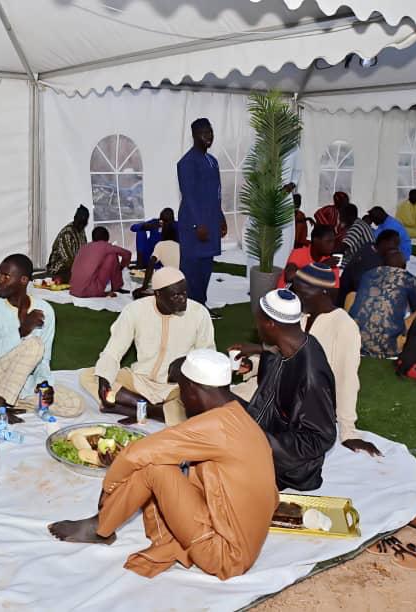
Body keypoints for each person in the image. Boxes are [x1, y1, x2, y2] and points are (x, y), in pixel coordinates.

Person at [49, 349, 278, 581]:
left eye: (182, 391)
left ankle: (101, 527)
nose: (182, 400)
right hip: (235, 540)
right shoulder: (239, 417)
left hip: (224, 555)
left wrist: (109, 489)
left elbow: (136, 454)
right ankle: (109, 521)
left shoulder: (216, 426)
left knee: (151, 466)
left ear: (193, 389)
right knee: (159, 459)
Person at [241, 264, 380, 456]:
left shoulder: (344, 326)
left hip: (305, 406)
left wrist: (348, 431)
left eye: (301, 292)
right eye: (295, 290)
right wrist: (252, 365)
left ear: (324, 293)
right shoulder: (299, 316)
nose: (295, 297)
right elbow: (277, 356)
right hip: (274, 391)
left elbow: (346, 381)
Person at [80, 267, 214, 425]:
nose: (183, 299)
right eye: (175, 295)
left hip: (175, 388)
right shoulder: (135, 310)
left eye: (184, 293)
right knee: (90, 376)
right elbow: (113, 351)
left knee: (201, 408)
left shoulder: (199, 313)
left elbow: (207, 357)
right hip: (139, 381)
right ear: (158, 294)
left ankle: (138, 409)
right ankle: (156, 410)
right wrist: (104, 379)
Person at [232, 289, 336, 490]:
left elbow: (320, 437)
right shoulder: (288, 345)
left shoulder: (311, 376)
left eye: (259, 320)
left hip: (288, 472)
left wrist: (260, 443)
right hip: (262, 434)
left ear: (271, 324)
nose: (256, 325)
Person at [0, 254, 83, 422]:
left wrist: (44, 384)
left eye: (6, 276)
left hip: (19, 380)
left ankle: (8, 402)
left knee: (74, 404)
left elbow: (44, 360)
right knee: (34, 345)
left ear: (23, 280)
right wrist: (20, 332)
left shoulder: (45, 310)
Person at [177, 118, 226, 309]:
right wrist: (198, 224)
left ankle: (201, 306)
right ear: (194, 135)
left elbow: (216, 193)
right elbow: (188, 195)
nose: (209, 136)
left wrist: (221, 217)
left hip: (211, 221)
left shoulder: (212, 161)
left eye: (210, 132)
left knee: (206, 266)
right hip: (193, 224)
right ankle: (188, 308)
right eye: (204, 133)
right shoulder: (187, 162)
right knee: (191, 268)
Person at [349, 249, 416, 359]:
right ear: (404, 266)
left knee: (352, 295)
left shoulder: (368, 274)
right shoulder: (407, 278)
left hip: (355, 342)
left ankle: (350, 335)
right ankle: (411, 347)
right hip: (388, 346)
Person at [338, 229, 400, 307]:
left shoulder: (369, 247)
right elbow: (360, 287)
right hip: (349, 302)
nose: (397, 248)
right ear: (384, 242)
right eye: (395, 244)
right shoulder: (372, 261)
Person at [69, 227, 131, 298]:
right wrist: (121, 266)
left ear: (93, 238)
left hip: (73, 289)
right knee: (112, 255)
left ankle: (110, 288)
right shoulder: (106, 246)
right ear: (107, 237)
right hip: (90, 291)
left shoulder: (84, 247)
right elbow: (127, 254)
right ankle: (117, 287)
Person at [278, 224, 339, 288]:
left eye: (333, 241)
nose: (332, 245)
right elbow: (290, 277)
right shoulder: (299, 253)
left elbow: (334, 290)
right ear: (315, 240)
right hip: (286, 293)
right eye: (328, 241)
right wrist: (322, 266)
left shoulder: (331, 263)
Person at [46, 205, 89, 283]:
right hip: (59, 268)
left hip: (74, 266)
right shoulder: (67, 233)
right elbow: (68, 260)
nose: (81, 225)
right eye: (79, 221)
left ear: (86, 222)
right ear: (75, 218)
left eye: (83, 223)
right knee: (80, 277)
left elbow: (84, 252)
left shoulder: (81, 231)